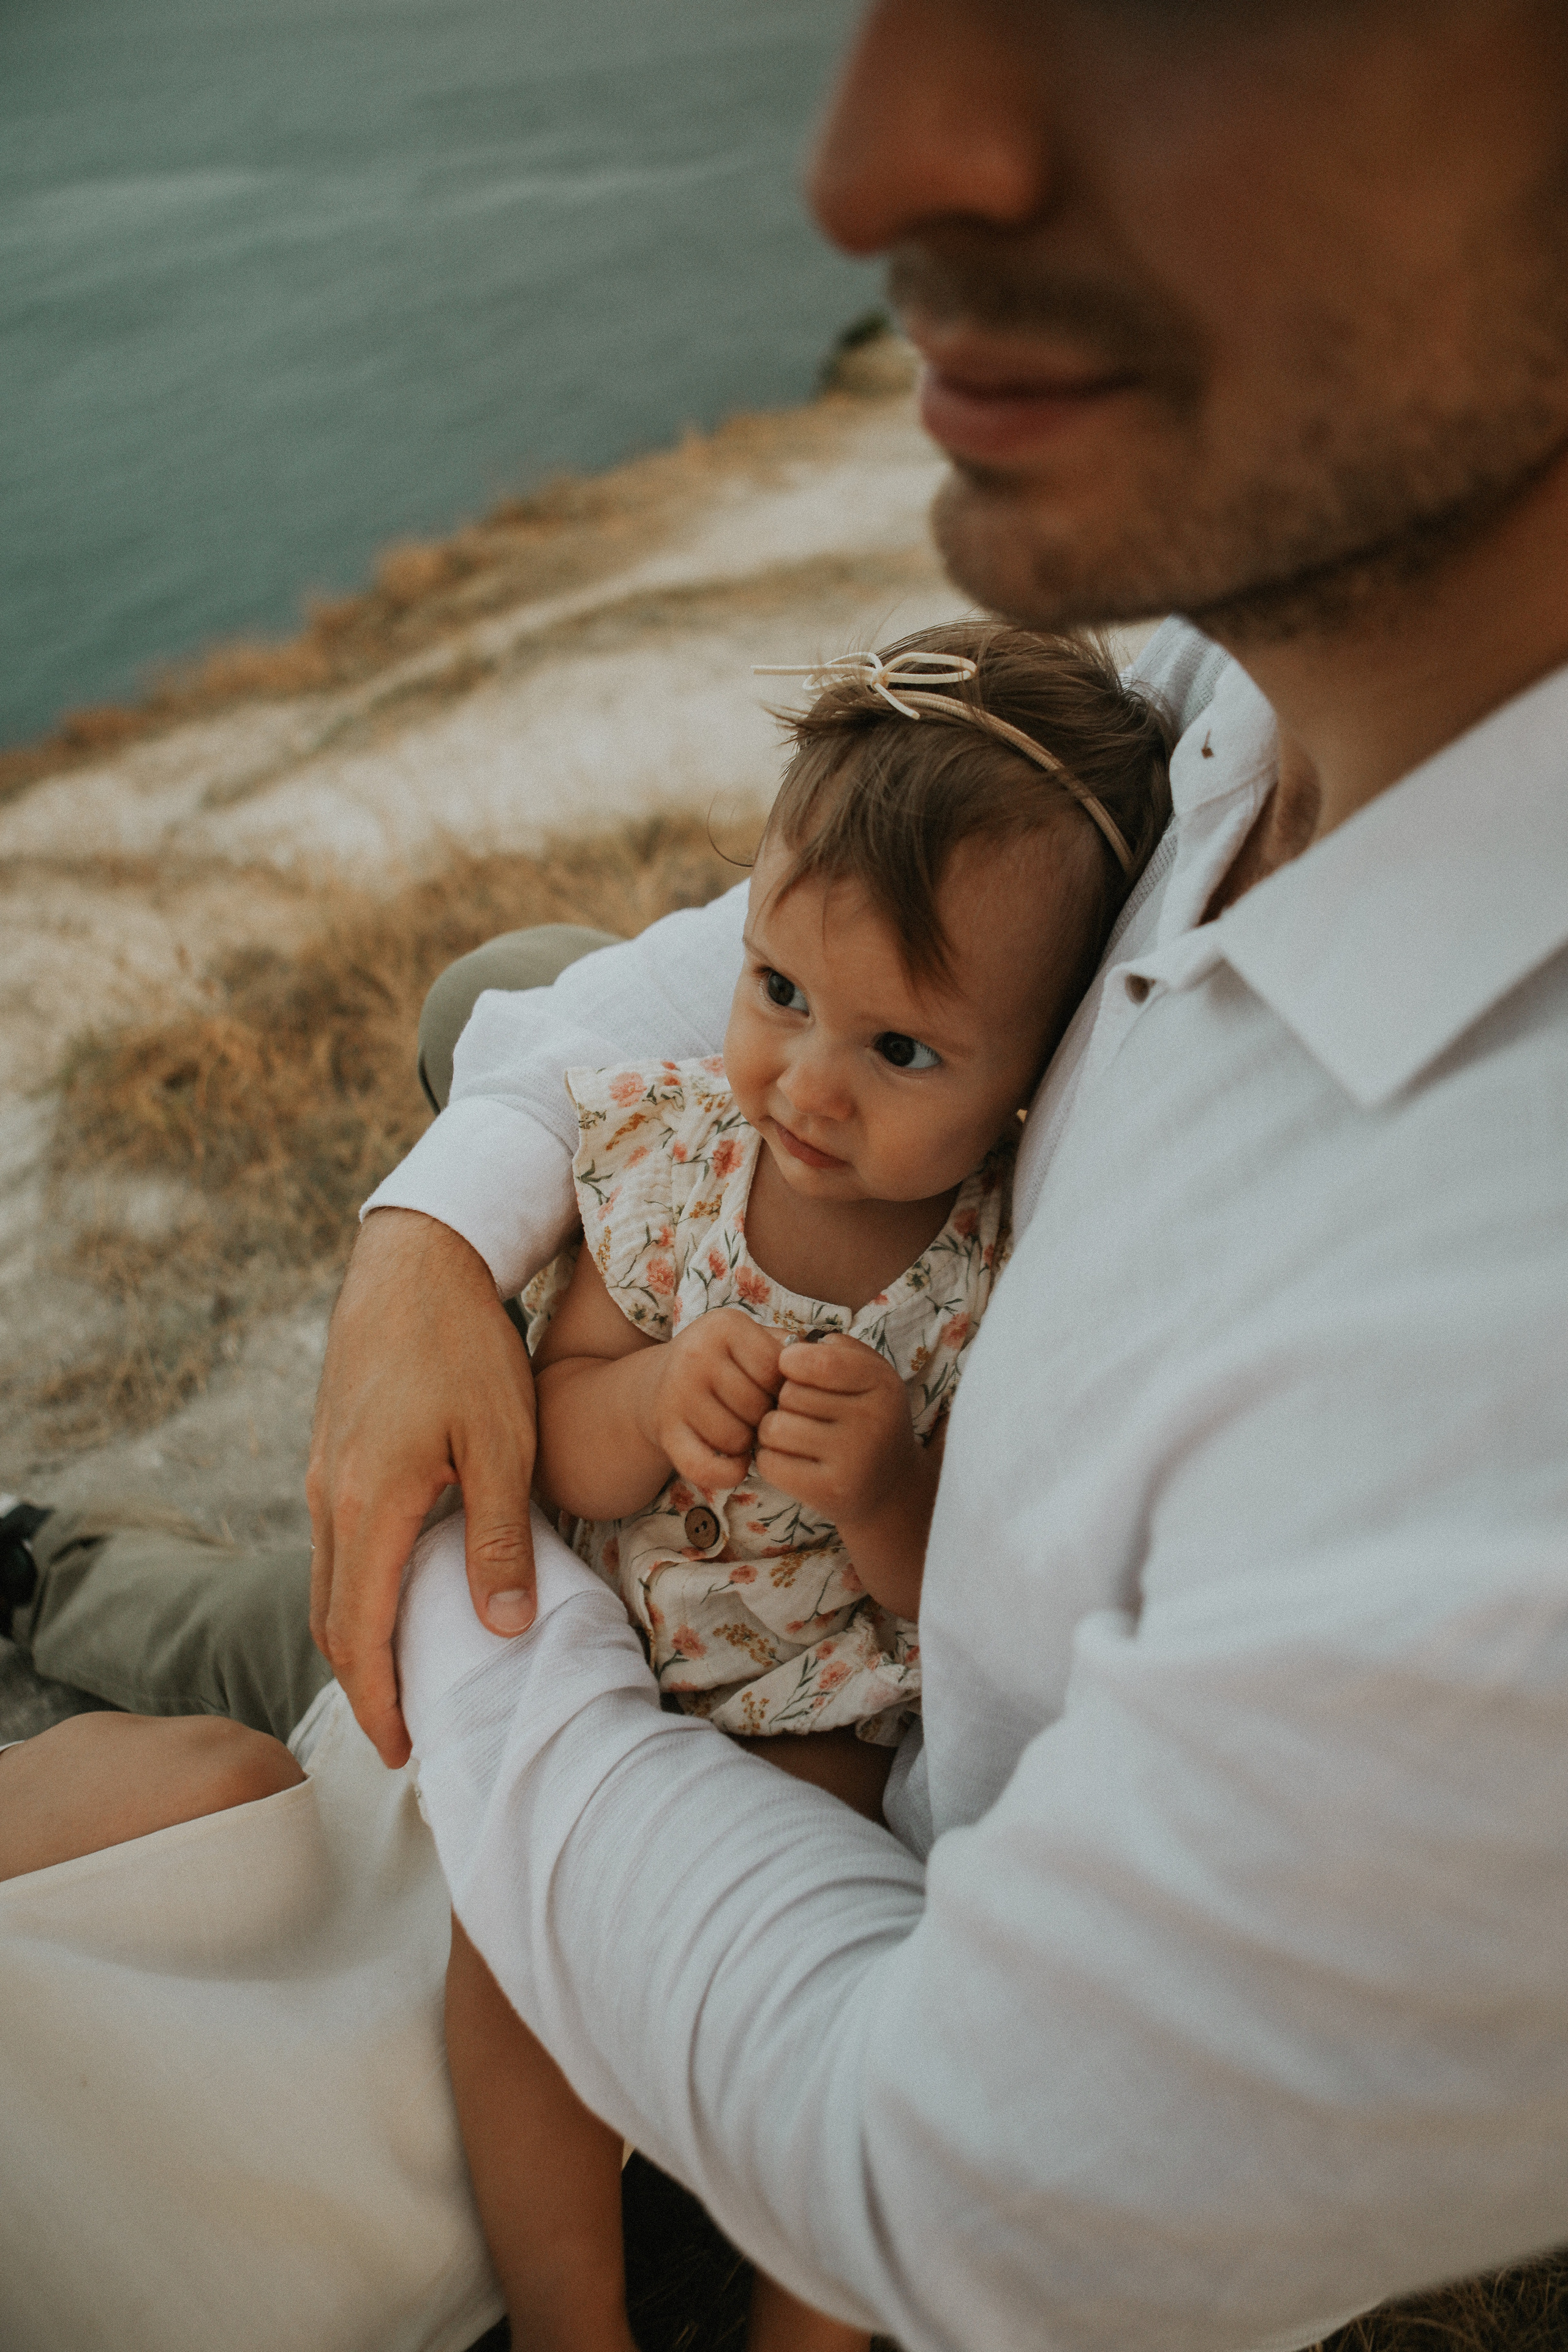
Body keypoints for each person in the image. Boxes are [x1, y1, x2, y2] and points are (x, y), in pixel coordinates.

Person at [334, 4, 1568, 2348]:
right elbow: (771, 935)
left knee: (212, 1784)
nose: (872, 165)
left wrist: (467, 1607)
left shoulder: (1497, 1428)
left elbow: (929, 2180)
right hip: (610, 1626)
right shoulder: (1267, 654)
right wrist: (429, 1238)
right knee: (508, 994)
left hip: (738, 1766)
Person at [439, 624, 1172, 2352]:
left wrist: (887, 1489)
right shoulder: (677, 1155)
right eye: (780, 992)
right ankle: (571, 2323)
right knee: (511, 1968)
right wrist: (652, 1398)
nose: (810, 1085)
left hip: (815, 1727)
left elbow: (956, 1605)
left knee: (847, 2018)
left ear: (1031, 1075)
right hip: (606, 1658)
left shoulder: (998, 1285)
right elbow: (549, 1430)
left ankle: (804, 2323)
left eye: (903, 1051)